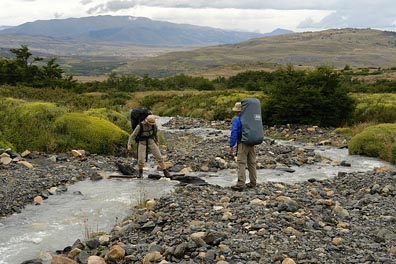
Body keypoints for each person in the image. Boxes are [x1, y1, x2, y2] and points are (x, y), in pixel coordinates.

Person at [229, 102, 257, 190]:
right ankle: (253, 182)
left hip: (242, 143)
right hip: (251, 142)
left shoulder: (237, 119)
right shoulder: (250, 118)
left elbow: (234, 132)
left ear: (237, 111)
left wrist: (231, 145)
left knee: (241, 163)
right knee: (252, 163)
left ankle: (241, 184)